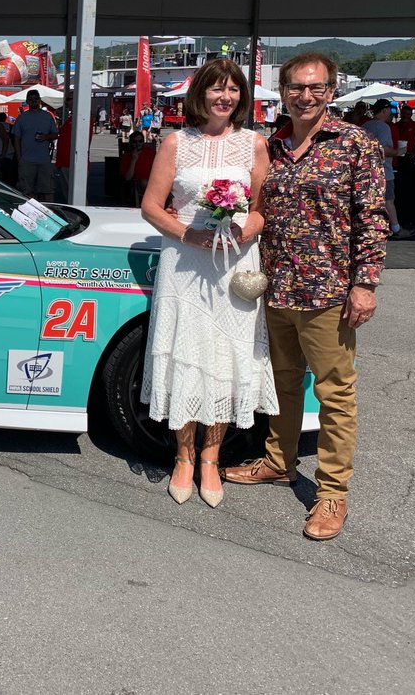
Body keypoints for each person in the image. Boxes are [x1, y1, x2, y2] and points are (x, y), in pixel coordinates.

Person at [225, 53, 388, 541]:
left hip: (329, 292)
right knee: (284, 383)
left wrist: (365, 283)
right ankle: (278, 461)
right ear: (283, 92)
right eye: (296, 87)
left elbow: (373, 218)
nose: (305, 95)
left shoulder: (354, 144)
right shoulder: (272, 145)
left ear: (331, 91)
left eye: (315, 87)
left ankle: (332, 491)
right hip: (276, 287)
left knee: (335, 394)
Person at [140, 59, 277, 508]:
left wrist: (243, 232)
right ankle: (182, 457)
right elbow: (152, 207)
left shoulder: (254, 144)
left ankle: (211, 459)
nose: (225, 97)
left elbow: (262, 209)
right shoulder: (176, 142)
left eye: (233, 90)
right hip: (185, 262)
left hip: (235, 265)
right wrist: (191, 233)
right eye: (216, 89)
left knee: (227, 355)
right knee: (187, 352)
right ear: (200, 93)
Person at [361, 99, 412, 239]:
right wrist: (398, 152)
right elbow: (382, 148)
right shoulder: (383, 127)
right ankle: (396, 228)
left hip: (366, 171)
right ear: (384, 110)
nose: (392, 114)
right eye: (390, 110)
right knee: (388, 200)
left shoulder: (365, 125)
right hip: (384, 172)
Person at [11, 88, 58, 200]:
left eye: (36, 99)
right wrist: (19, 158)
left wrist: (46, 137)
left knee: (48, 189)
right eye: (31, 99)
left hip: (44, 160)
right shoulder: (22, 118)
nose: (34, 101)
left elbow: (56, 134)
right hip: (27, 160)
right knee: (27, 191)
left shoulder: (47, 116)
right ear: (27, 101)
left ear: (40, 100)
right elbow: (16, 139)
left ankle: (50, 212)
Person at [118, 130, 155, 207]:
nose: (137, 144)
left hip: (154, 181)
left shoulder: (151, 153)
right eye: (135, 141)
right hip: (138, 183)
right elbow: (128, 178)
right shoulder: (127, 156)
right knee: (144, 182)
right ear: (131, 143)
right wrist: (133, 160)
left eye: (140, 141)